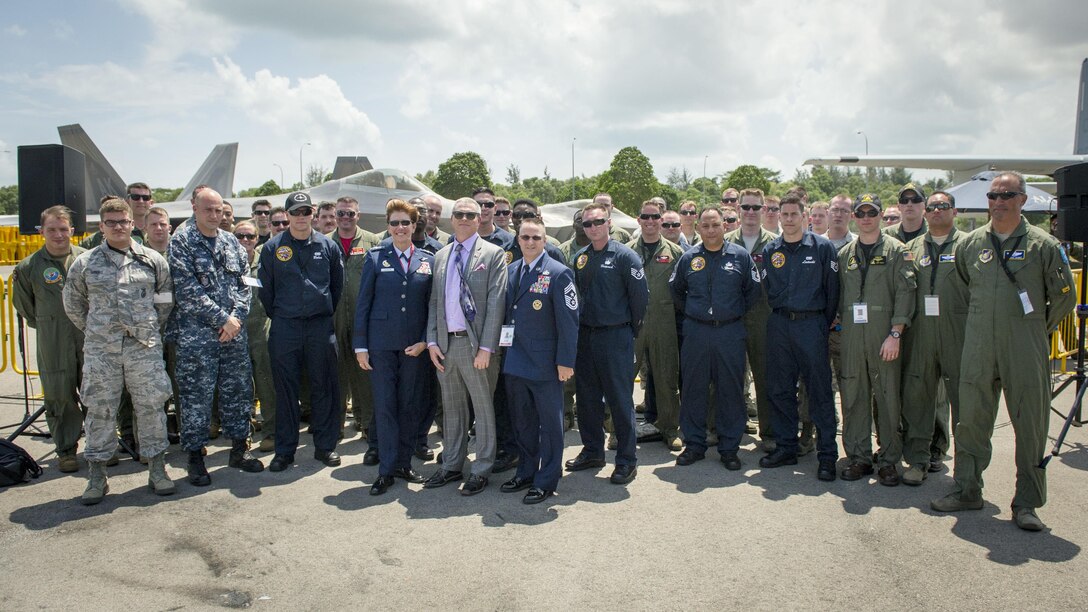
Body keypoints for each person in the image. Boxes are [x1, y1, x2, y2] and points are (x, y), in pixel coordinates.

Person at [931, 172, 1076, 531]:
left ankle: (1027, 502)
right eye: (993, 196)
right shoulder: (972, 244)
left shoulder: (1042, 244)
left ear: (1022, 200)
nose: (998, 202)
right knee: (971, 421)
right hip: (979, 344)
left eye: (1007, 195)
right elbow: (965, 283)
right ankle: (967, 489)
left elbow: (1064, 296)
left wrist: (1034, 329)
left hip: (1024, 347)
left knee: (1030, 424)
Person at [63, 197, 175, 504]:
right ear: (101, 227)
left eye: (123, 221)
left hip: (143, 348)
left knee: (152, 406)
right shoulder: (85, 263)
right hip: (102, 352)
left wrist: (147, 328)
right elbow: (73, 303)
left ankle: (157, 469)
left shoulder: (151, 259)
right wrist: (98, 331)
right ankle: (97, 476)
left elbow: (164, 301)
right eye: (110, 222)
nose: (118, 227)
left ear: (132, 223)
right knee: (99, 410)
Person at [170, 188, 263, 485]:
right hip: (198, 337)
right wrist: (223, 319)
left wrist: (235, 318)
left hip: (233, 335)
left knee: (238, 392)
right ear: (194, 208)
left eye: (219, 211)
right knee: (196, 397)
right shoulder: (181, 242)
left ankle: (239, 449)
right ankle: (195, 457)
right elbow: (186, 291)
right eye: (208, 210)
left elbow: (244, 284)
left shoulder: (231, 243)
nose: (214, 216)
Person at [424, 197, 508, 495]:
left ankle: (482, 469)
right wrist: (432, 340)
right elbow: (435, 302)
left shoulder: (494, 254)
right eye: (458, 214)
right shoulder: (441, 256)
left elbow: (497, 302)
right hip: (446, 344)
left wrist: (487, 348)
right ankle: (451, 465)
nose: (464, 218)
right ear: (451, 218)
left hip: (476, 347)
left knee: (483, 410)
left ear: (479, 219)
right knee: (453, 409)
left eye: (470, 214)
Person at [258, 192, 345, 472]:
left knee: (323, 387)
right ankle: (285, 450)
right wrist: (285, 314)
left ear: (313, 214)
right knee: (286, 389)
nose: (300, 217)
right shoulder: (272, 248)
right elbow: (266, 292)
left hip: (320, 325)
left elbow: (337, 286)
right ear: (287, 215)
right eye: (295, 212)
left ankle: (324, 446)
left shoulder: (327, 246)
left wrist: (321, 309)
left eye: (305, 212)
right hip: (286, 326)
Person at [354, 199, 435, 495]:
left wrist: (426, 340)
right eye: (394, 223)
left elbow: (432, 306)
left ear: (414, 226)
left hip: (414, 348)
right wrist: (361, 346)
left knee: (409, 405)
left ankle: (403, 462)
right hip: (381, 347)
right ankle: (386, 469)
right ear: (387, 227)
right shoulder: (375, 258)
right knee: (386, 407)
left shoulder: (428, 259)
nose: (400, 228)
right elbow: (362, 305)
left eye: (405, 223)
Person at [670, 205, 759, 470]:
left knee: (730, 390)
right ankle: (694, 445)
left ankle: (729, 448)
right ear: (698, 228)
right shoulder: (688, 258)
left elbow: (753, 291)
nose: (710, 230)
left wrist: (731, 312)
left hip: (730, 332)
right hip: (697, 331)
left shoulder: (741, 256)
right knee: (693, 388)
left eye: (715, 225)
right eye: (705, 225)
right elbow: (676, 290)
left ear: (725, 226)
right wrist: (696, 313)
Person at [758, 194, 840, 481]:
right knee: (780, 389)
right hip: (780, 324)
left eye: (795, 214)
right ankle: (786, 447)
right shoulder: (771, 250)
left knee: (819, 391)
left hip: (812, 325)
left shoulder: (823, 248)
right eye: (785, 214)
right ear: (779, 217)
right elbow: (767, 288)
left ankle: (828, 455)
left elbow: (832, 293)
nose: (789, 219)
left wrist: (820, 322)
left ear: (805, 217)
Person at [566, 202, 648, 484]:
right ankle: (592, 451)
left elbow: (640, 301)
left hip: (616, 337)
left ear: (609, 222)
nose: (593, 228)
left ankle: (626, 460)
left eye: (598, 222)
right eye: (587, 224)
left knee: (619, 399)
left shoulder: (626, 257)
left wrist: (627, 332)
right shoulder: (581, 258)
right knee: (587, 399)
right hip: (586, 337)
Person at [837, 193, 916, 485]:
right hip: (853, 338)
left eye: (872, 213)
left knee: (887, 399)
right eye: (861, 213)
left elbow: (906, 293)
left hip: (884, 336)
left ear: (881, 215)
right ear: (854, 217)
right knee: (853, 396)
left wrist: (896, 333)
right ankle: (859, 457)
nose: (867, 218)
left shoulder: (898, 251)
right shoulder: (845, 254)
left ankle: (889, 460)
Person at [500, 217, 579, 503]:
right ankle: (525, 471)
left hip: (546, 364)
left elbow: (569, 322)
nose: (530, 242)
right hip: (515, 359)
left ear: (545, 241)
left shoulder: (558, 273)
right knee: (523, 422)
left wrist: (566, 361)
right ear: (518, 240)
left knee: (550, 425)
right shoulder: (510, 271)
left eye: (536, 238)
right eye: (525, 237)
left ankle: (546, 479)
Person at [899, 191, 969, 485]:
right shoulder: (911, 249)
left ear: (954, 212)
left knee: (964, 404)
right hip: (921, 334)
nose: (937, 211)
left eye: (944, 206)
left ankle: (967, 473)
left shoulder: (970, 245)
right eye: (933, 207)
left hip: (959, 334)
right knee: (918, 398)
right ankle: (918, 460)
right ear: (925, 213)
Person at [12, 205, 87, 473]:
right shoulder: (28, 267)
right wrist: (51, 324)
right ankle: (66, 450)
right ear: (41, 231)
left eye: (63, 229)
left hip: (88, 337)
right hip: (53, 340)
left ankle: (101, 445)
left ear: (72, 231)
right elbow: (26, 308)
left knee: (95, 391)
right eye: (52, 229)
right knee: (59, 394)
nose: (58, 235)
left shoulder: (87, 260)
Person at [627, 199, 685, 451]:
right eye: (645, 217)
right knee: (624, 376)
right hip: (634, 323)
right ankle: (620, 430)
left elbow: (684, 289)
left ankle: (670, 428)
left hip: (664, 322)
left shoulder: (676, 253)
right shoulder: (626, 251)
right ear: (638, 220)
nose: (650, 222)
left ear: (662, 220)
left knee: (666, 377)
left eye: (655, 217)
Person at [726, 188, 778, 449]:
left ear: (764, 210)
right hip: (732, 319)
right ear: (738, 210)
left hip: (763, 319)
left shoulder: (775, 243)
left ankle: (768, 433)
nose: (750, 212)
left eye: (756, 207)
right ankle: (726, 430)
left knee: (765, 377)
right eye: (745, 207)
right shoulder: (724, 242)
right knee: (729, 377)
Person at [328, 196, 381, 451]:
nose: (345, 218)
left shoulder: (373, 241)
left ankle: (368, 425)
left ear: (358, 216)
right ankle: (335, 426)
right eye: (341, 214)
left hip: (364, 320)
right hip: (334, 318)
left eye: (350, 214)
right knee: (336, 376)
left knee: (365, 377)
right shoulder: (325, 244)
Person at [234, 220, 278, 452]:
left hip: (262, 328)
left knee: (266, 383)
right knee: (240, 387)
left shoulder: (266, 261)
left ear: (257, 239)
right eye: (240, 236)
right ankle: (242, 435)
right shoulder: (227, 263)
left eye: (250, 237)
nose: (245, 241)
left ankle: (271, 431)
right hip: (234, 332)